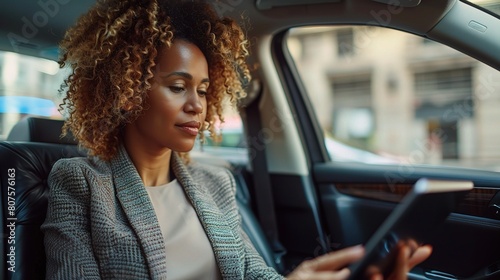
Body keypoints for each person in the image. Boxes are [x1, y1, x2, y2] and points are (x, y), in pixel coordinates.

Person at [41, 0, 432, 279]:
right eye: (178, 87)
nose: (198, 105)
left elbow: (253, 272)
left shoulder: (217, 184)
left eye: (205, 90)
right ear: (128, 93)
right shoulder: (79, 183)